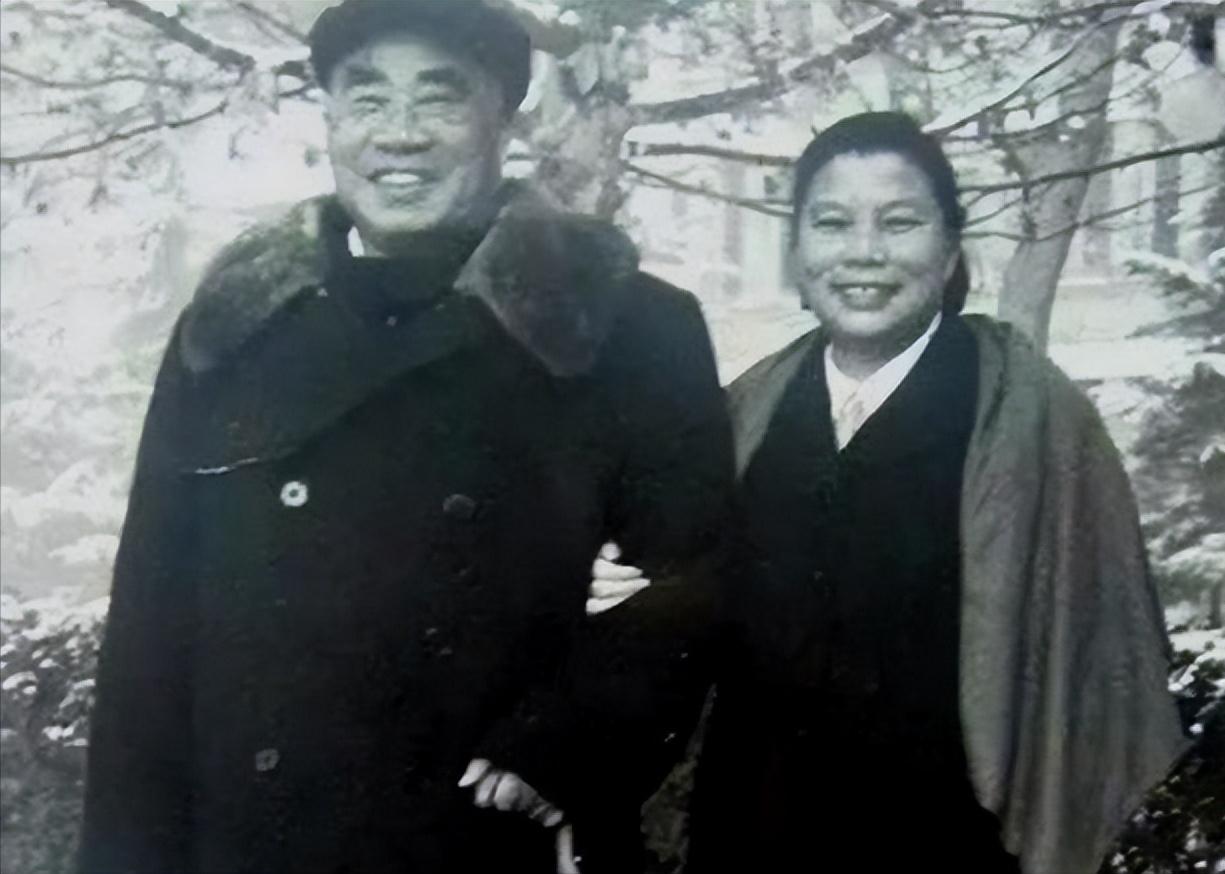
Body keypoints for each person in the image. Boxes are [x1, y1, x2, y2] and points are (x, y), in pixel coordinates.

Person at [77, 2, 734, 872]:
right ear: (330, 122)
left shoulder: (620, 323)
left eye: (438, 97)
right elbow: (149, 637)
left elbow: (696, 580)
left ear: (503, 119)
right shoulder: (236, 326)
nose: (399, 134)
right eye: (367, 99)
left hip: (489, 843)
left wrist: (567, 745)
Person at [592, 111, 1187, 874]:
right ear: (796, 251)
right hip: (749, 831)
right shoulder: (744, 412)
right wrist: (624, 582)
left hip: (947, 843)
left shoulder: (1032, 419)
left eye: (899, 223)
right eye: (831, 223)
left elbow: (1094, 657)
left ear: (949, 250)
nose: (863, 253)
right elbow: (679, 603)